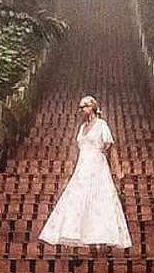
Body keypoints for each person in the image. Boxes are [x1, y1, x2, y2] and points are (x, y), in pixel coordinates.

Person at [38, 95, 132, 250]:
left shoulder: (102, 125)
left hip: (98, 166)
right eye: (80, 107)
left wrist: (118, 169)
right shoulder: (82, 128)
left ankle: (101, 237)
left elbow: (111, 148)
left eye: (85, 106)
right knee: (78, 198)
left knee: (99, 199)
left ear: (93, 107)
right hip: (83, 167)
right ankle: (79, 234)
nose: (82, 110)